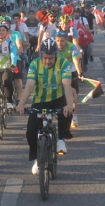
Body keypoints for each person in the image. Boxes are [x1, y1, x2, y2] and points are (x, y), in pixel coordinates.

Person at [16, 38, 74, 175]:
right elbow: (29, 85)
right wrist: (22, 103)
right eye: (45, 58)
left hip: (58, 98)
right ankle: (37, 159)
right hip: (40, 100)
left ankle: (61, 139)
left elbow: (67, 85)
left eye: (51, 58)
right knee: (31, 131)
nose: (47, 61)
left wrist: (70, 105)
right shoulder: (35, 64)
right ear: (41, 55)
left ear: (56, 56)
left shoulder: (63, 63)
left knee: (67, 111)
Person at [54, 31, 83, 128]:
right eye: (57, 41)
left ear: (66, 40)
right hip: (58, 72)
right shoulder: (54, 48)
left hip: (71, 71)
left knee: (73, 92)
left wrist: (79, 73)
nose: (59, 43)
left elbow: (75, 60)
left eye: (62, 41)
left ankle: (74, 116)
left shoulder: (72, 47)